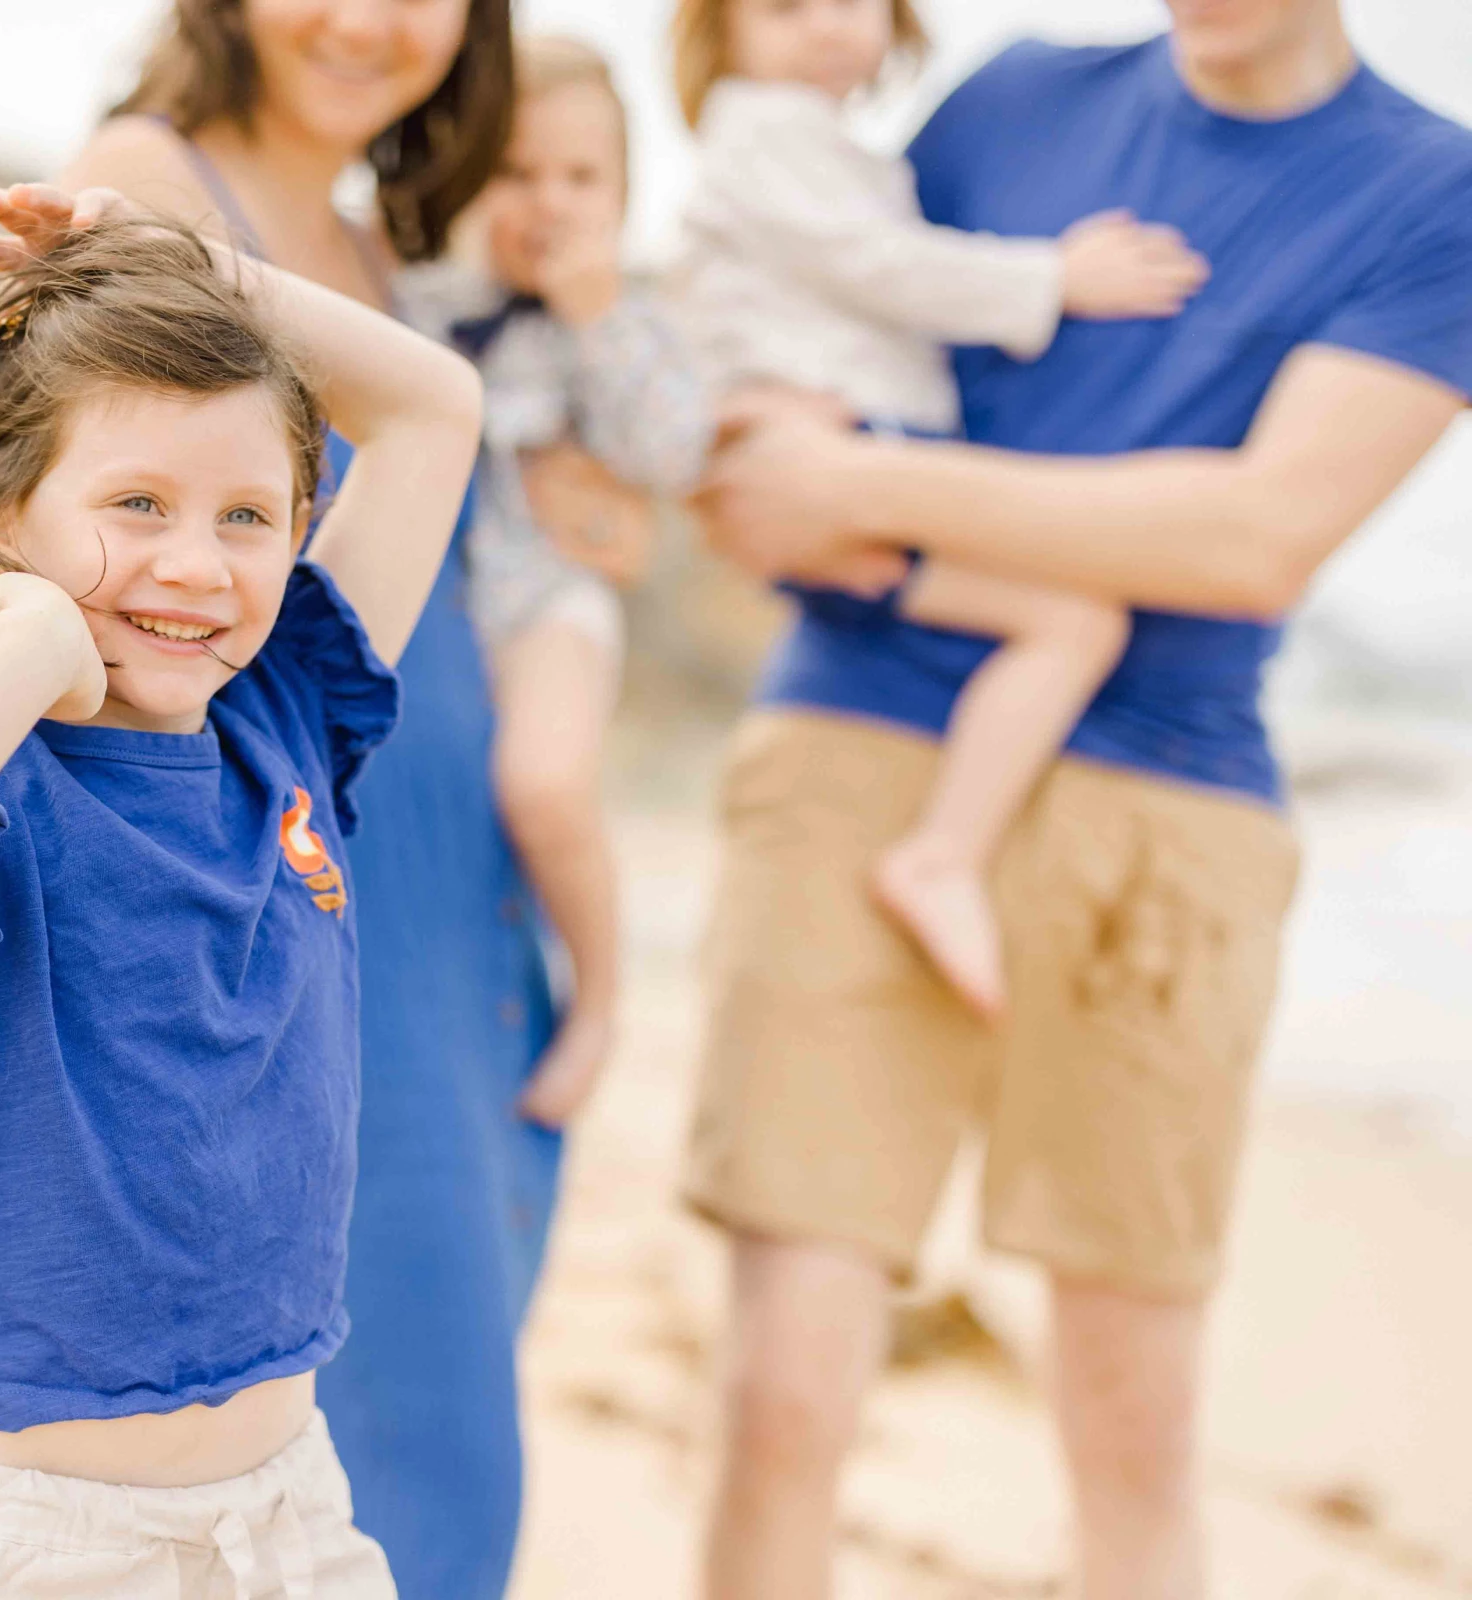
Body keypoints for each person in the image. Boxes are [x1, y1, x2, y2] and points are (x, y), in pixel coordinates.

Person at [681, 0, 1472, 1591]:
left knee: (1131, 1434)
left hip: (1171, 794)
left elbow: (1254, 539)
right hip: (859, 739)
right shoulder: (1012, 97)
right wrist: (764, 463)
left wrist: (864, 487)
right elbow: (807, 357)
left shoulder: (1432, 191)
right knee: (780, 1400)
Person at [0, 185, 483, 1598]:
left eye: (250, 516)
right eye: (135, 504)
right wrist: (22, 650)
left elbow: (437, 405)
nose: (195, 564)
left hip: (289, 1515)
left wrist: (182, 264)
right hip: (40, 1541)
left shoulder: (285, 723)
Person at [60, 6, 646, 1592]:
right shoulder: (147, 174)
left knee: (444, 1377)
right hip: (290, 860)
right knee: (349, 1396)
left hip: (459, 872)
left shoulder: (401, 246)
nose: (371, 19)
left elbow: (567, 508)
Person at [671, 0, 1211, 1017]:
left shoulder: (813, 139)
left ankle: (945, 852)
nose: (827, 26)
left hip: (851, 454)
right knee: (1077, 617)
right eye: (786, 8)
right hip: (849, 457)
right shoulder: (763, 130)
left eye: (852, 2)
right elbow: (875, 267)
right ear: (720, 33)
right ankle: (942, 855)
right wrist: (1053, 276)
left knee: (1073, 618)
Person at [395, 34, 713, 1122]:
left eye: (583, 179)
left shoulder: (628, 321)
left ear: (626, 194)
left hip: (547, 601)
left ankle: (602, 1000)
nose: (551, 204)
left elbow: (673, 452)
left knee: (544, 784)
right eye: (519, 173)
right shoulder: (418, 295)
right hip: (423, 600)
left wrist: (596, 316)